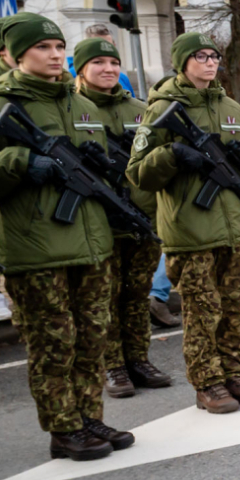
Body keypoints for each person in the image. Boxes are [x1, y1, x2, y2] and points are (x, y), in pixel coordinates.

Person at [0, 14, 128, 458]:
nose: (55, 56)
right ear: (14, 54)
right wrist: (22, 163)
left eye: (58, 47)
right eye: (43, 48)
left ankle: (90, 419)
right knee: (54, 346)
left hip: (90, 244)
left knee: (92, 340)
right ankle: (63, 428)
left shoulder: (77, 103)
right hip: (37, 249)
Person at [127, 32, 240, 415]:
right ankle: (207, 384)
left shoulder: (231, 107)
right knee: (202, 312)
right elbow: (138, 173)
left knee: (233, 309)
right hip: (190, 230)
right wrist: (172, 155)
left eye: (214, 55)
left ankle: (233, 374)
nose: (210, 62)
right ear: (182, 62)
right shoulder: (160, 109)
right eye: (200, 56)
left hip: (232, 228)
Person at [72, 37, 173, 396]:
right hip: (99, 221)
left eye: (113, 63)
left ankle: (138, 360)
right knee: (104, 298)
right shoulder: (73, 108)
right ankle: (112, 365)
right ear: (81, 69)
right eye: (98, 62)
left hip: (142, 217)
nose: (108, 69)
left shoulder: (140, 108)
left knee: (136, 294)